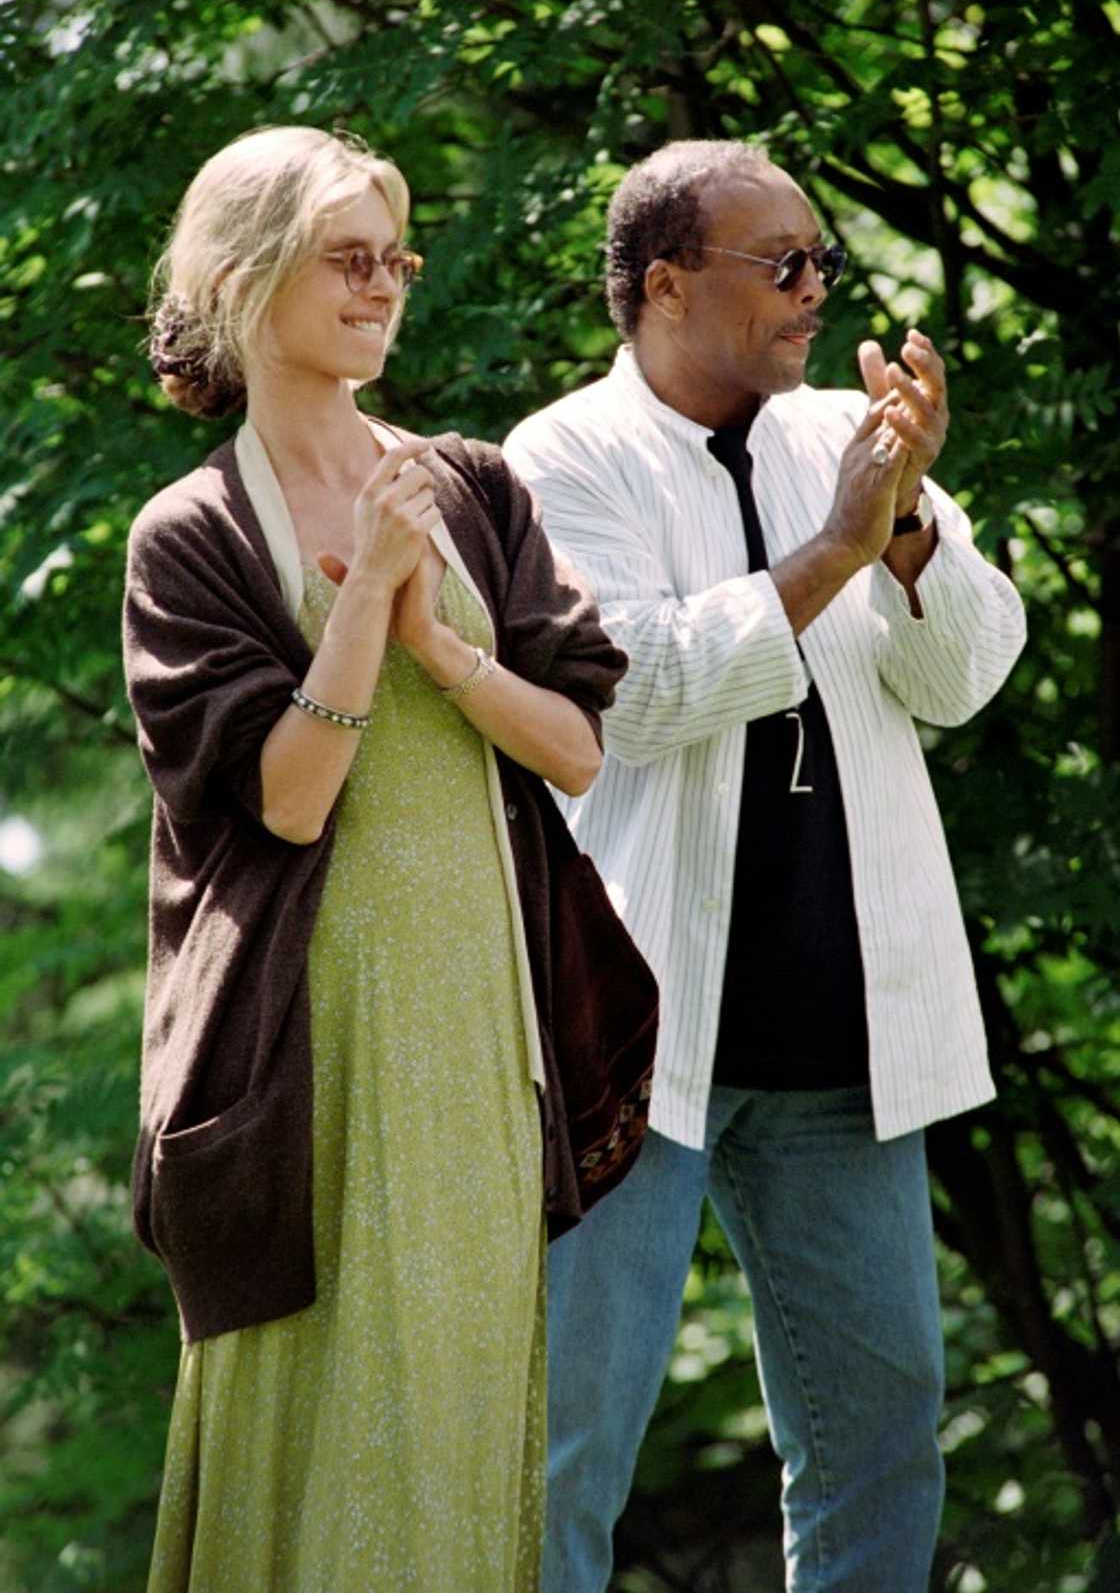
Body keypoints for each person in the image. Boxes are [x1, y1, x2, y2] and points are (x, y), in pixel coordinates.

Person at [502, 137, 1028, 1593]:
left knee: (882, 1441)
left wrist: (909, 524)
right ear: (665, 286)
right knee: (564, 1455)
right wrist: (832, 556)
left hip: (847, 1047)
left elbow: (968, 676)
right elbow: (637, 691)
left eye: (823, 265)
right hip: (635, 1043)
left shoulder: (848, 445)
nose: (814, 293)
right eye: (780, 265)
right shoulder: (558, 459)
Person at [122, 124, 633, 1593]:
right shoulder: (190, 537)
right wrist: (359, 620)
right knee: (322, 1414)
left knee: (461, 1405)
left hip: (480, 1012)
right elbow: (285, 804)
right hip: (302, 1047)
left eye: (394, 257)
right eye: (349, 257)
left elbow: (577, 750)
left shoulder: (467, 484)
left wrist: (430, 641)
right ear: (242, 274)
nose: (382, 285)